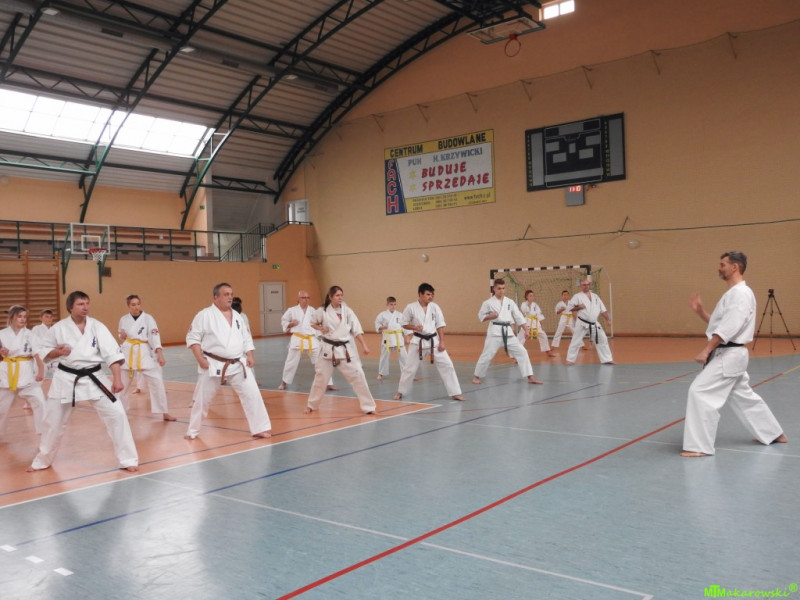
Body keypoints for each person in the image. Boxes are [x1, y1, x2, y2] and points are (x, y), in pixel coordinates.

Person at [681, 251, 787, 457]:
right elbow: (722, 324)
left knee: (699, 392)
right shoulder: (734, 294)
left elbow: (729, 328)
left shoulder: (740, 294)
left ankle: (699, 447)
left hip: (729, 354)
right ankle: (774, 434)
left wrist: (707, 349)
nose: (719, 268)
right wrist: (701, 312)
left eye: (723, 264)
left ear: (734, 267)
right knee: (743, 396)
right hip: (731, 354)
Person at [27, 291, 139, 472]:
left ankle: (128, 460)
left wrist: (117, 379)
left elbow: (112, 354)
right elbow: (44, 351)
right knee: (53, 422)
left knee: (117, 414)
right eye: (80, 304)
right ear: (70, 307)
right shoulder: (59, 328)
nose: (85, 307)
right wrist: (58, 352)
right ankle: (42, 460)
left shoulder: (97, 326)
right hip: (66, 378)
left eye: (87, 303)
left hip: (94, 377)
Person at [185, 283, 271, 440]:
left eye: (231, 294)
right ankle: (193, 430)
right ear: (216, 297)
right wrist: (200, 359)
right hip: (213, 364)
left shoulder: (237, 316)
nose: (230, 297)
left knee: (252, 395)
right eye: (226, 294)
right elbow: (193, 338)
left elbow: (246, 337)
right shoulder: (204, 315)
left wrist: (250, 355)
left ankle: (259, 428)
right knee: (203, 400)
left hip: (238, 363)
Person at [303, 286, 377, 414]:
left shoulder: (348, 311)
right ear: (330, 297)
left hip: (345, 350)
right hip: (327, 349)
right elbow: (312, 322)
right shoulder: (322, 311)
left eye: (341, 295)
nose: (340, 297)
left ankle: (369, 407)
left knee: (359, 376)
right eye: (337, 295)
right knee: (320, 379)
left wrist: (364, 345)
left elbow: (356, 329)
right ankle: (311, 405)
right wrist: (321, 329)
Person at [393, 283, 465, 402]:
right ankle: (400, 391)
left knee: (447, 365)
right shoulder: (410, 307)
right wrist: (415, 327)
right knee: (409, 368)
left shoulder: (435, 307)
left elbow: (440, 325)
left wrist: (442, 342)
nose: (430, 297)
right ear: (420, 294)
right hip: (418, 341)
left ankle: (455, 393)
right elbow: (403, 323)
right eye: (428, 294)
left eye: (432, 294)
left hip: (434, 341)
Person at [473, 279, 544, 385]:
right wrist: (491, 316)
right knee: (487, 355)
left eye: (503, 288)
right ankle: (476, 376)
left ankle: (530, 377)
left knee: (522, 352)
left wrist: (526, 329)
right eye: (499, 288)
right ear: (494, 289)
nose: (501, 291)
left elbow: (518, 316)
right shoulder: (488, 303)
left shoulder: (509, 302)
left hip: (508, 332)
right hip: (495, 332)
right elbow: (481, 317)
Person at [117, 294, 176, 421]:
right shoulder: (124, 319)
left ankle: (164, 412)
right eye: (133, 305)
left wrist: (160, 354)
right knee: (122, 385)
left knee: (157, 382)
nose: (136, 307)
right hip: (128, 352)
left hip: (143, 352)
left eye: (138, 304)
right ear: (128, 306)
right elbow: (121, 334)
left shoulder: (148, 318)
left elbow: (155, 336)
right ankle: (120, 412)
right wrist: (121, 336)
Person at [0, 306, 46, 438]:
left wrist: (41, 371)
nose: (23, 319)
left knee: (40, 401)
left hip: (26, 372)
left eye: (25, 317)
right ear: (12, 317)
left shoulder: (30, 335)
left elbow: (38, 355)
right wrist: (1, 352)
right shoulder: (2, 334)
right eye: (19, 316)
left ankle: (43, 431)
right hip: (7, 373)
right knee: (1, 408)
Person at [277, 291, 335, 391]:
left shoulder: (313, 311)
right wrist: (291, 324)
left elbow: (319, 323)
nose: (306, 299)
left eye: (308, 297)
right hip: (297, 339)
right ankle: (284, 383)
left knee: (321, 362)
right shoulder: (292, 310)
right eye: (303, 298)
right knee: (290, 363)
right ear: (299, 299)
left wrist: (323, 331)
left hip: (311, 339)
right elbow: (284, 321)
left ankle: (328, 383)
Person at [564, 278, 614, 365]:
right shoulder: (577, 296)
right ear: (580, 286)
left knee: (603, 339)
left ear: (590, 285)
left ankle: (607, 359)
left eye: (587, 284)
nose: (586, 286)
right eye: (584, 285)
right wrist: (579, 307)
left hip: (594, 323)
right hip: (582, 323)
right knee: (576, 341)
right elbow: (568, 308)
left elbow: (603, 310)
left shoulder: (596, 297)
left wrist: (608, 319)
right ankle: (570, 360)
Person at [375, 296, 407, 381]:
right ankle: (381, 373)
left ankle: (407, 374)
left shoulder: (400, 315)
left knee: (404, 356)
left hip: (398, 337)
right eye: (391, 304)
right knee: (384, 357)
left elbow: (404, 326)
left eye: (394, 304)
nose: (393, 306)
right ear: (387, 304)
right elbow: (377, 325)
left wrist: (407, 337)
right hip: (388, 338)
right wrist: (382, 327)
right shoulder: (382, 315)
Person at [516, 289, 556, 358]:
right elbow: (524, 310)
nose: (532, 297)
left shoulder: (535, 305)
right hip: (527, 322)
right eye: (530, 296)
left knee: (543, 335)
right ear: (526, 297)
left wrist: (542, 325)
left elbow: (539, 315)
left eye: (532, 296)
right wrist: (528, 304)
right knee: (521, 337)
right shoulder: (524, 304)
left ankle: (547, 351)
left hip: (535, 323)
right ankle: (515, 354)